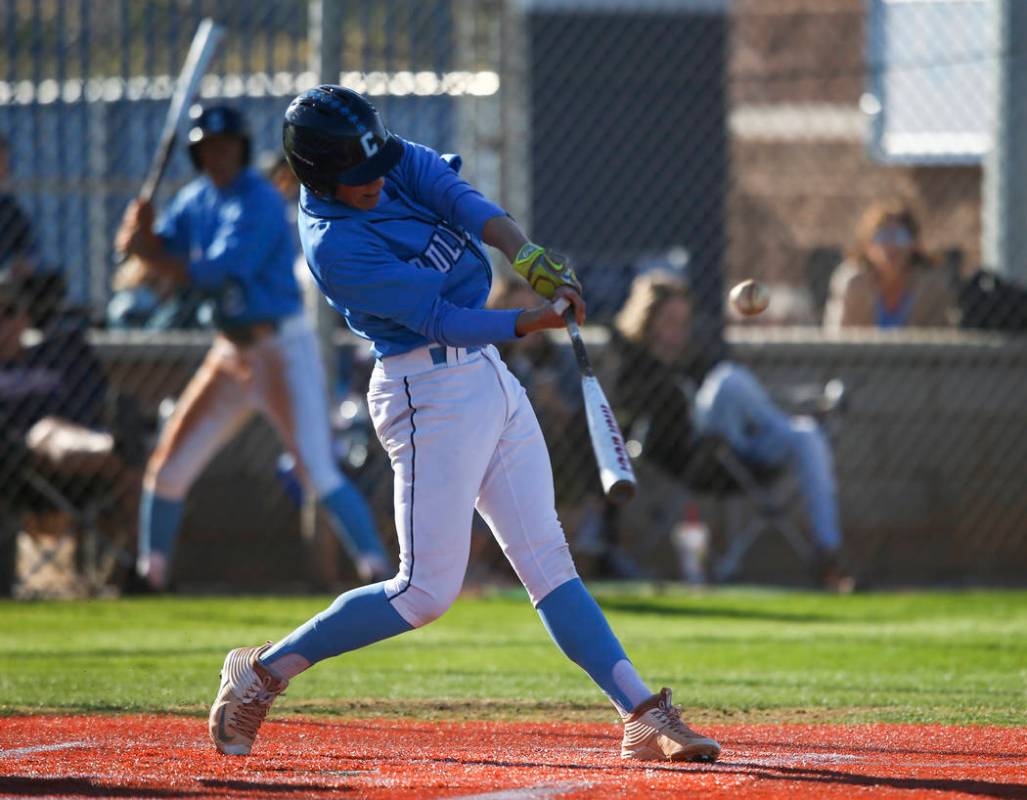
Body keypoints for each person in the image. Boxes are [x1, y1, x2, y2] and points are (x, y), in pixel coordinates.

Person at [205, 85, 720, 765]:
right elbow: (439, 319)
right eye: (359, 177)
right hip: (424, 394)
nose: (378, 180)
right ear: (320, 178)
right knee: (423, 593)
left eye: (377, 164)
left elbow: (460, 201)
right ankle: (263, 671)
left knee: (548, 562)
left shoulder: (387, 160)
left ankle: (641, 713)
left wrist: (527, 256)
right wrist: (528, 322)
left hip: (485, 380)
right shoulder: (333, 246)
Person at [114, 103, 392, 592]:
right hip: (230, 351)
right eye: (208, 148)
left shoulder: (259, 199)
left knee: (317, 470)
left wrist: (149, 252)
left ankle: (377, 571)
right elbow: (162, 252)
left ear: (241, 149)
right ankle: (149, 575)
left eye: (227, 147)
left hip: (280, 348)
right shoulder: (197, 198)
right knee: (170, 463)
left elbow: (219, 271)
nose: (218, 156)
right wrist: (142, 233)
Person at [611, 270, 853, 591]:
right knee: (729, 378)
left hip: (737, 448)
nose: (678, 331)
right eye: (669, 321)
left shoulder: (697, 354)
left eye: (683, 322)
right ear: (649, 320)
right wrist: (668, 377)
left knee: (808, 436)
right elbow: (626, 410)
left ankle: (828, 553)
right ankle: (781, 419)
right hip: (696, 452)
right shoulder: (635, 364)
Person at [823, 198, 955, 329]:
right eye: (882, 236)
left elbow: (942, 338)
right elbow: (836, 336)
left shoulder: (932, 287)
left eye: (900, 237)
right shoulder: (853, 283)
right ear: (868, 245)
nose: (891, 247)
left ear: (914, 244)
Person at [0, 134, 38, 278]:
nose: (4, 171)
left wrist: (23, 263)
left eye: (5, 164)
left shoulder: (8, 209)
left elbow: (28, 250)